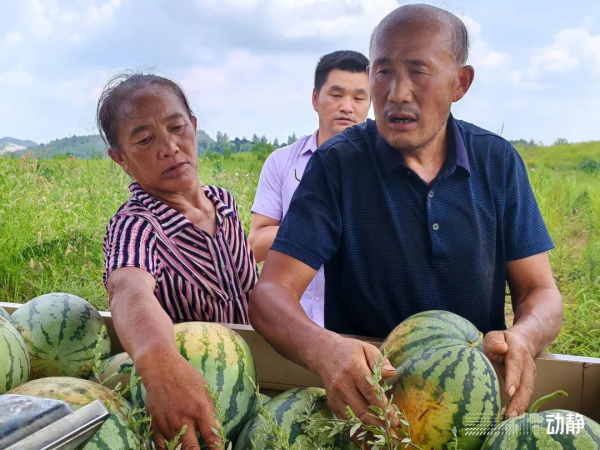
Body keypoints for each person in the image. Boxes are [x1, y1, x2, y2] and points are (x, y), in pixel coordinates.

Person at [249, 3, 563, 431]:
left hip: (473, 414)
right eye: (382, 71)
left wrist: (525, 336)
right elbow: (270, 295)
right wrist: (324, 350)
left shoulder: (497, 162)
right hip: (372, 413)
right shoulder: (337, 165)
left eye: (418, 70)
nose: (396, 92)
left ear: (460, 83)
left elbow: (540, 292)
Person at [99, 73, 257, 449]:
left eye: (176, 127)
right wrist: (159, 365)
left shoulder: (224, 202)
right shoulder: (136, 225)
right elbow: (128, 289)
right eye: (144, 139)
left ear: (194, 126)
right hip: (193, 401)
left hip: (256, 378)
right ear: (120, 158)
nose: (169, 147)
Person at [249, 50, 370, 326]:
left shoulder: (384, 169)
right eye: (336, 95)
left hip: (357, 330)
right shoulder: (282, 161)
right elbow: (255, 245)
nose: (347, 106)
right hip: (291, 322)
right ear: (315, 99)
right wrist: (315, 227)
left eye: (359, 98)